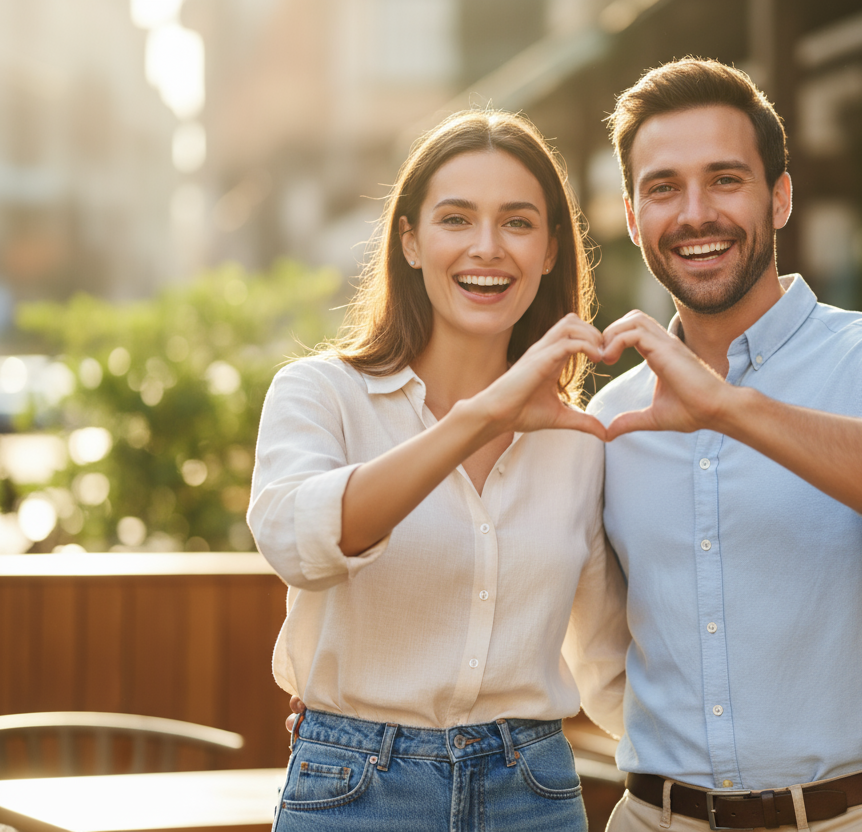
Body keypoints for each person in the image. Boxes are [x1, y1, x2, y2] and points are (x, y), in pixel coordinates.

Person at [589, 59, 862, 831]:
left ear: (780, 197)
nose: (695, 213)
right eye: (664, 187)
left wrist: (732, 410)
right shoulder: (614, 416)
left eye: (726, 180)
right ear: (634, 218)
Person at [248, 109, 628, 831]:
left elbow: (606, 660)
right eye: (456, 219)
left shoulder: (579, 439)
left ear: (551, 250)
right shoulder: (321, 394)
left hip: (534, 791)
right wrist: (482, 418)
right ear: (410, 241)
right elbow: (298, 544)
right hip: (355, 789)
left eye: (518, 223)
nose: (488, 248)